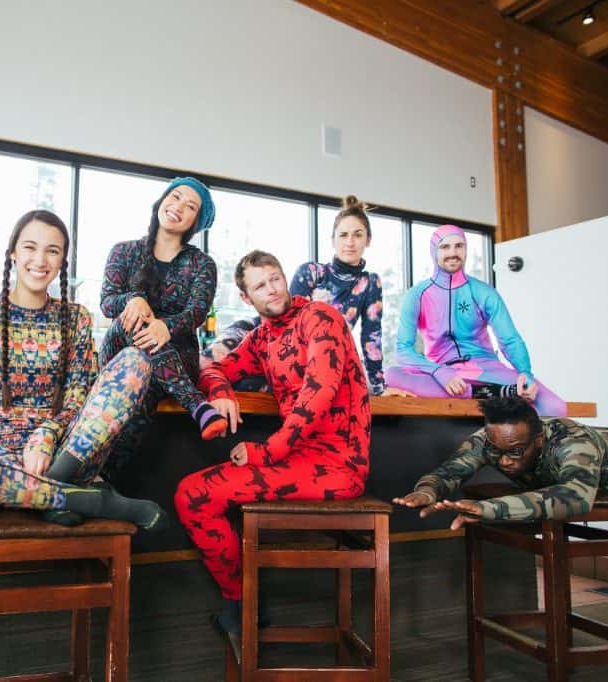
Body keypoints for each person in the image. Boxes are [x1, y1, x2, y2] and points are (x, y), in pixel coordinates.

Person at [0, 210, 167, 531]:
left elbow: (77, 401)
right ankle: (85, 500)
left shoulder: (77, 318)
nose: (40, 259)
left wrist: (45, 437)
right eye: (30, 247)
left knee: (136, 361)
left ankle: (55, 485)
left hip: (63, 456)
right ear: (13, 254)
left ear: (62, 260)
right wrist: (7, 464)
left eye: (53, 250)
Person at [175, 250, 371, 635]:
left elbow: (321, 389)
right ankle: (243, 601)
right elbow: (214, 367)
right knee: (191, 494)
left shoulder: (319, 316)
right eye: (261, 285)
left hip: (338, 466)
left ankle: (243, 605)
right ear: (247, 298)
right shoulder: (261, 338)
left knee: (195, 495)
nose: (273, 289)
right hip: (297, 460)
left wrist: (267, 451)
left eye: (276, 278)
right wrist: (220, 391)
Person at [201, 195, 396, 396]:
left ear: (368, 240)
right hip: (265, 335)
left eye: (358, 235)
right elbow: (287, 322)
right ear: (333, 240)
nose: (350, 242)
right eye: (343, 235)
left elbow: (372, 338)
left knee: (259, 385)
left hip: (313, 361)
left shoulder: (371, 283)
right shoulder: (312, 271)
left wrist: (380, 388)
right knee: (208, 362)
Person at [394, 396, 608, 529]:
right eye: (497, 450)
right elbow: (450, 472)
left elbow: (575, 498)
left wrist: (490, 509)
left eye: (516, 452)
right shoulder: (491, 439)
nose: (503, 460)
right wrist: (426, 491)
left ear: (539, 440)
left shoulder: (573, 443)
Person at [99, 177, 226, 473]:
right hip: (118, 352)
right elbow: (107, 303)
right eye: (176, 196)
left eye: (190, 206)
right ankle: (197, 405)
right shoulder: (124, 251)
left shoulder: (202, 263)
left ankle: (104, 481)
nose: (178, 206)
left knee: (141, 397)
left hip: (175, 360)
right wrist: (134, 299)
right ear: (162, 200)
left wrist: (166, 327)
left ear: (196, 221)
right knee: (134, 318)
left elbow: (197, 312)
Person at [384, 224, 566, 415]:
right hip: (442, 374)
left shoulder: (484, 292)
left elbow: (509, 339)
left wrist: (525, 373)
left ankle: (484, 391)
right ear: (434, 251)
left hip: (487, 372)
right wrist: (440, 372)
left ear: (465, 249)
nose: (453, 253)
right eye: (445, 247)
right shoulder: (417, 295)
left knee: (556, 407)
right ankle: (493, 394)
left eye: (459, 246)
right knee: (391, 375)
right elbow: (403, 350)